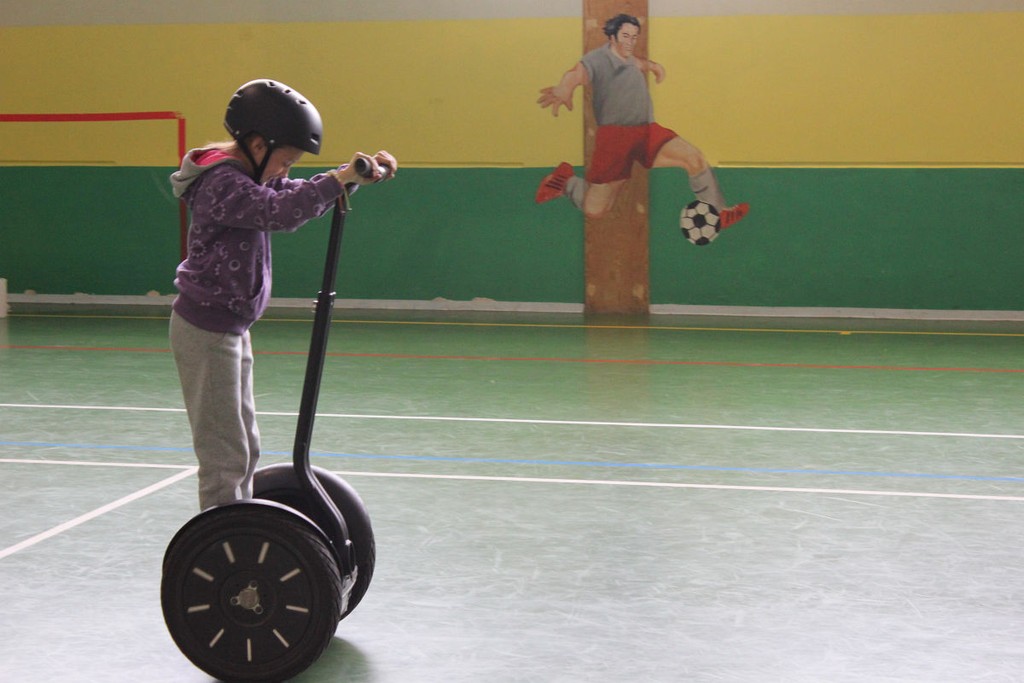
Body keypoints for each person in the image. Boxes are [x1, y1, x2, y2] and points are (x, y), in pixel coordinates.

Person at [169, 78, 396, 510]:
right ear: (258, 145)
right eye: (286, 161)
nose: (286, 171)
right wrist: (339, 179)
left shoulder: (249, 176)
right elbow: (278, 212)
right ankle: (223, 534)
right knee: (224, 454)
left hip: (229, 327)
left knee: (244, 444)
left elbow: (291, 195)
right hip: (206, 330)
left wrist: (349, 179)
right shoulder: (222, 182)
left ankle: (241, 522)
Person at [536, 13, 748, 231]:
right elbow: (575, 74)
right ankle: (565, 182)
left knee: (694, 158)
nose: (630, 42)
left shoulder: (629, 59)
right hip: (615, 139)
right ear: (612, 37)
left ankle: (718, 212)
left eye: (634, 37)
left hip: (646, 130)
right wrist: (564, 89)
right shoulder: (598, 59)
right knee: (595, 209)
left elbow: (639, 63)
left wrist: (654, 67)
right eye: (625, 36)